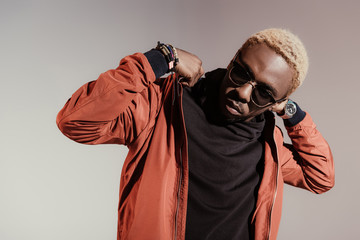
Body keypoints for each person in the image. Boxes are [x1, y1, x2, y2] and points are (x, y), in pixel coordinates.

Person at [56, 28, 335, 240]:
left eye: (264, 92)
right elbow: (75, 120)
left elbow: (320, 177)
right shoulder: (162, 107)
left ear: (279, 101)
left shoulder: (268, 145)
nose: (243, 92)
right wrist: (158, 60)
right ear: (233, 60)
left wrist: (293, 115)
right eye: (240, 73)